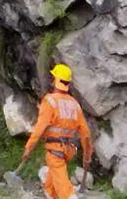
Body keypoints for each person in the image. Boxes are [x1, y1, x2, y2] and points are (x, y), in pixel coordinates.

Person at [21, 63, 93, 199]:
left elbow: (39, 128)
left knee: (64, 186)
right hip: (68, 150)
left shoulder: (50, 101)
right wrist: (87, 156)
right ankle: (48, 194)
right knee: (52, 177)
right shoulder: (75, 104)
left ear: (56, 81)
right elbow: (86, 134)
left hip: (55, 150)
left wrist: (28, 148)